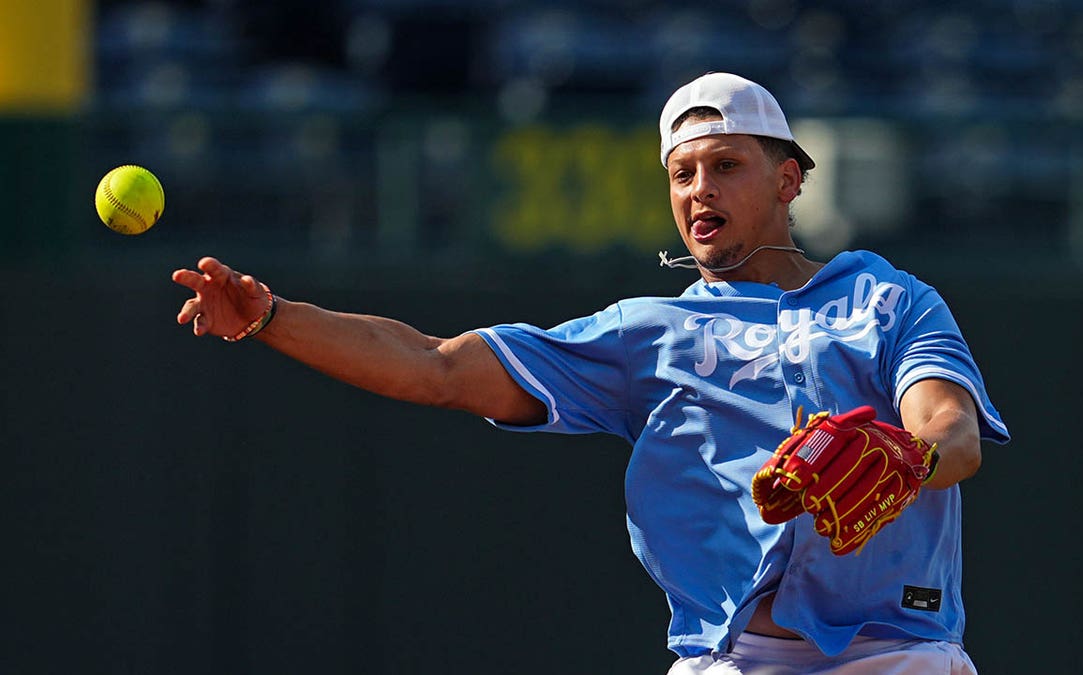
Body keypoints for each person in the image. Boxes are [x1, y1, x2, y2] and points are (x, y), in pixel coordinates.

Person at [173, 72, 1008, 674]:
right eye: (682, 173)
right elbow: (437, 366)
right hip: (733, 659)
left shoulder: (885, 297)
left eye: (725, 165)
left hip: (897, 652)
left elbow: (951, 430)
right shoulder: (649, 333)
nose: (698, 188)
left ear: (788, 178)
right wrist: (274, 318)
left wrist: (909, 458)